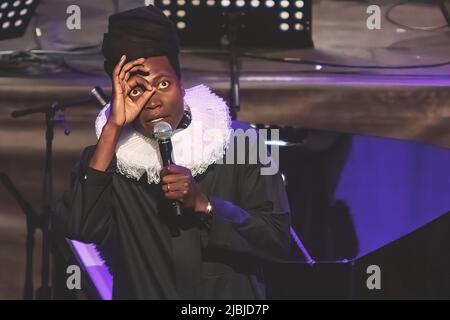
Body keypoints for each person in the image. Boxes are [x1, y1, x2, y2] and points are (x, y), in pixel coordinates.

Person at [55, 5, 290, 300]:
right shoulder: (107, 158)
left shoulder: (244, 141)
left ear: (181, 84)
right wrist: (113, 128)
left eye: (162, 84)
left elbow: (277, 238)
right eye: (138, 90)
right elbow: (81, 227)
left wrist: (204, 205)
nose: (152, 101)